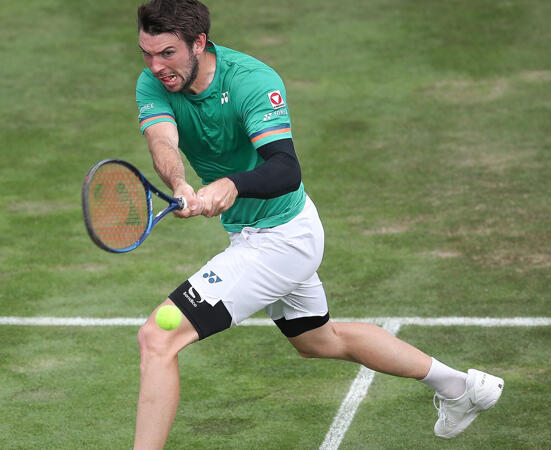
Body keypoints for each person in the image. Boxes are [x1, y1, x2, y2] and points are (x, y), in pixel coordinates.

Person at [132, 0, 503, 447]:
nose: (155, 66)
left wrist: (230, 185)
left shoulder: (252, 80)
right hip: (261, 234)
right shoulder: (154, 83)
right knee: (320, 341)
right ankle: (461, 388)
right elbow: (162, 139)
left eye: (167, 53)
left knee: (158, 337)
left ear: (199, 43)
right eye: (147, 54)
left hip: (282, 239)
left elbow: (285, 168)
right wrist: (180, 182)